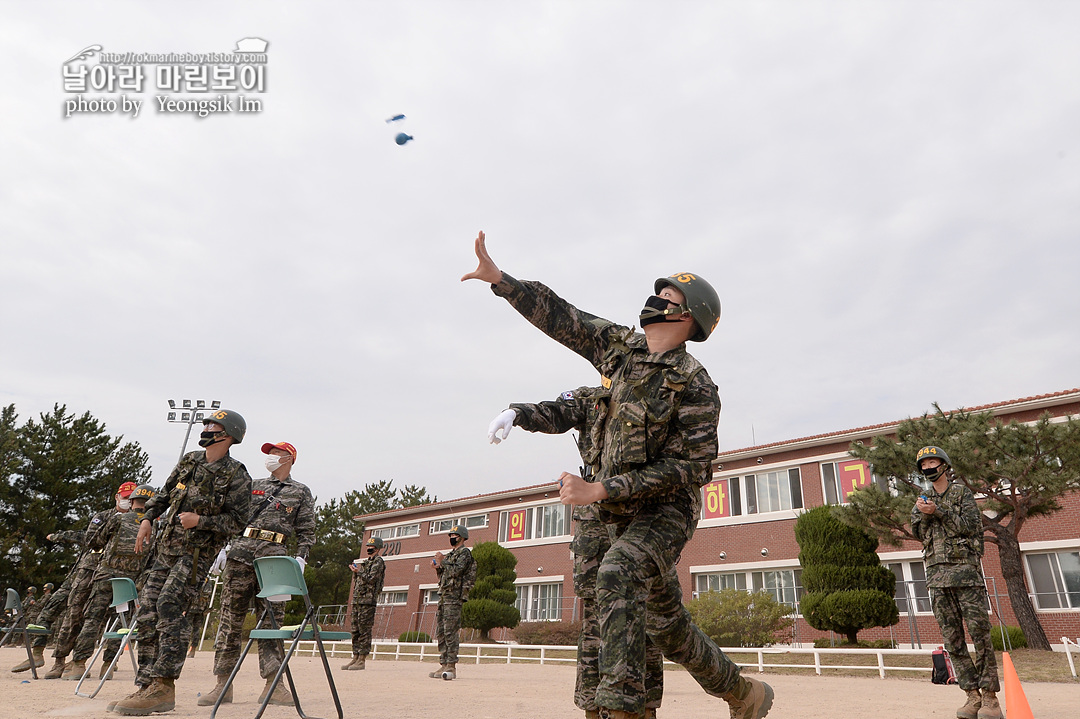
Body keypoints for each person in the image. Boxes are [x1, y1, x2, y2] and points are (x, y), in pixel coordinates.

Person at [463, 231, 772, 719]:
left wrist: (602, 488)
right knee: (643, 619)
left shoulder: (694, 384)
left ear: (687, 315)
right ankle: (741, 693)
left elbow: (690, 468)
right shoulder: (620, 351)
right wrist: (502, 281)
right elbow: (565, 318)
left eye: (666, 297)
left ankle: (625, 711)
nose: (652, 301)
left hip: (661, 511)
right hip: (606, 513)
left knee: (620, 575)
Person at [488, 386, 666, 719]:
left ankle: (642, 709)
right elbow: (557, 412)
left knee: (641, 616)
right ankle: (592, 708)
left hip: (640, 513)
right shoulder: (593, 397)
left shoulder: (653, 394)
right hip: (594, 515)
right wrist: (518, 413)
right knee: (595, 620)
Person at [112, 410, 252, 716]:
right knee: (147, 609)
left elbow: (239, 521)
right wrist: (148, 517)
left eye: (213, 425)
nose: (205, 429)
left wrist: (201, 520)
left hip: (196, 554)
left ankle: (165, 685)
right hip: (166, 549)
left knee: (169, 604)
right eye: (204, 424)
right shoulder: (190, 460)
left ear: (228, 434)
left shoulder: (236, 475)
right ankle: (147, 684)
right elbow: (164, 494)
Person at [199, 440, 315, 708]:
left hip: (275, 558)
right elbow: (233, 519)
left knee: (273, 622)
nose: (271, 457)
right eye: (269, 453)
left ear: (290, 459)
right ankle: (222, 685)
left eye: (276, 453)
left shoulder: (300, 491)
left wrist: (300, 558)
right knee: (230, 619)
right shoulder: (251, 485)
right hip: (240, 554)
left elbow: (307, 531)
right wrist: (223, 547)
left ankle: (274, 685)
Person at [911, 446, 1001, 719]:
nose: (928, 466)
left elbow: (969, 526)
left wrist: (938, 510)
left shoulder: (962, 494)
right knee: (953, 641)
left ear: (944, 465)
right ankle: (971, 696)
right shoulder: (920, 499)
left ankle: (990, 698)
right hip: (937, 579)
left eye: (933, 461)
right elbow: (918, 533)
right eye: (924, 463)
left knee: (980, 635)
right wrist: (925, 513)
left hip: (965, 574)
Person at [64, 481, 145, 681]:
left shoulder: (118, 520)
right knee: (120, 623)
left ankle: (79, 664)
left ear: (133, 500)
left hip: (106, 576)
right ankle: (108, 665)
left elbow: (95, 541)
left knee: (93, 619)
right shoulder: (154, 524)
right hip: (129, 581)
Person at [42, 504, 115, 679]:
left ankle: (79, 662)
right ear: (118, 497)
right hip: (87, 571)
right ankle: (59, 662)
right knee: (73, 615)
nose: (129, 502)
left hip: (111, 573)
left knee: (96, 620)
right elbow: (88, 538)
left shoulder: (138, 520)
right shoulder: (104, 516)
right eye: (126, 498)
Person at [428, 525, 477, 681]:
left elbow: (457, 571)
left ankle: (451, 665)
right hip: (444, 595)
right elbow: (445, 575)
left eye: (454, 535)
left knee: (450, 630)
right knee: (441, 631)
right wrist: (438, 566)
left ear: (461, 537)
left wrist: (443, 562)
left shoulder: (465, 554)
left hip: (454, 597)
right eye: (451, 535)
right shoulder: (450, 555)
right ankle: (443, 663)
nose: (452, 538)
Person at [342, 536, 387, 670]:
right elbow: (359, 580)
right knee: (355, 629)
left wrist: (359, 571)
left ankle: (362, 659)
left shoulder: (378, 562)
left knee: (364, 630)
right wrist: (356, 572)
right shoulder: (365, 563)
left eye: (371, 547)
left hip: (368, 601)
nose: (369, 549)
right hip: (358, 600)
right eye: (367, 546)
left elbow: (371, 579)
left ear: (377, 548)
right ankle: (355, 656)